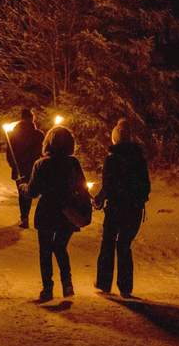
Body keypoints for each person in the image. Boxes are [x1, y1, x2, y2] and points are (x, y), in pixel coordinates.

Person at [18, 126, 87, 302]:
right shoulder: (73, 163)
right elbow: (82, 186)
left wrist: (22, 186)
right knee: (61, 247)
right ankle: (67, 284)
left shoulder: (41, 164)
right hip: (67, 212)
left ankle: (47, 288)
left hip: (47, 211)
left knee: (46, 251)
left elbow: (33, 192)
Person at [93, 118, 150, 299]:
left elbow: (109, 185)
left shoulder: (112, 159)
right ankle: (125, 287)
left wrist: (100, 199)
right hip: (133, 208)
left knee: (108, 242)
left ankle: (104, 282)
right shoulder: (139, 158)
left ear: (115, 138)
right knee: (124, 245)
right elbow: (146, 185)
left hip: (116, 208)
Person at [6, 108, 45, 229]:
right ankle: (41, 219)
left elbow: (9, 153)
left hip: (20, 169)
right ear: (32, 118)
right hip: (36, 167)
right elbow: (44, 152)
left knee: (23, 194)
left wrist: (13, 165)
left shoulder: (12, 134)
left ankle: (24, 218)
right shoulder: (38, 134)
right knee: (40, 193)